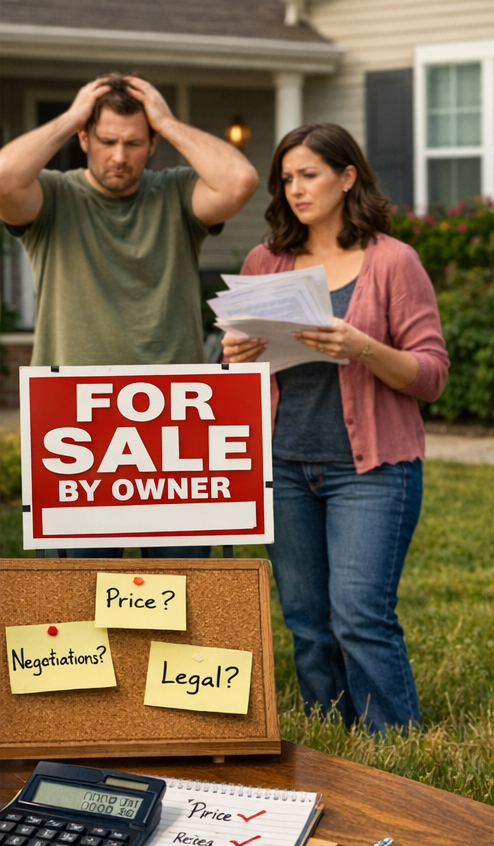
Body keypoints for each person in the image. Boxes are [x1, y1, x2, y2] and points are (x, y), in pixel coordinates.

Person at [223, 123, 448, 731]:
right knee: (304, 617)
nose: (296, 189)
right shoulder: (264, 261)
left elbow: (431, 375)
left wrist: (362, 346)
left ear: (347, 177)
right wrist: (233, 356)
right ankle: (332, 732)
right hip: (284, 463)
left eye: (309, 175)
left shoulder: (393, 262)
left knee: (359, 614)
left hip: (372, 469)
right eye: (287, 179)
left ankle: (396, 738)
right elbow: (238, 375)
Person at [0, 71, 259, 558]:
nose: (119, 156)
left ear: (152, 143)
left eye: (135, 143)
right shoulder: (52, 196)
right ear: (84, 139)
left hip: (174, 425)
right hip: (74, 427)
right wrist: (72, 114)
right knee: (82, 612)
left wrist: (167, 119)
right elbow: (3, 179)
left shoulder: (177, 193)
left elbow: (239, 180)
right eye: (106, 141)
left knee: (181, 605)